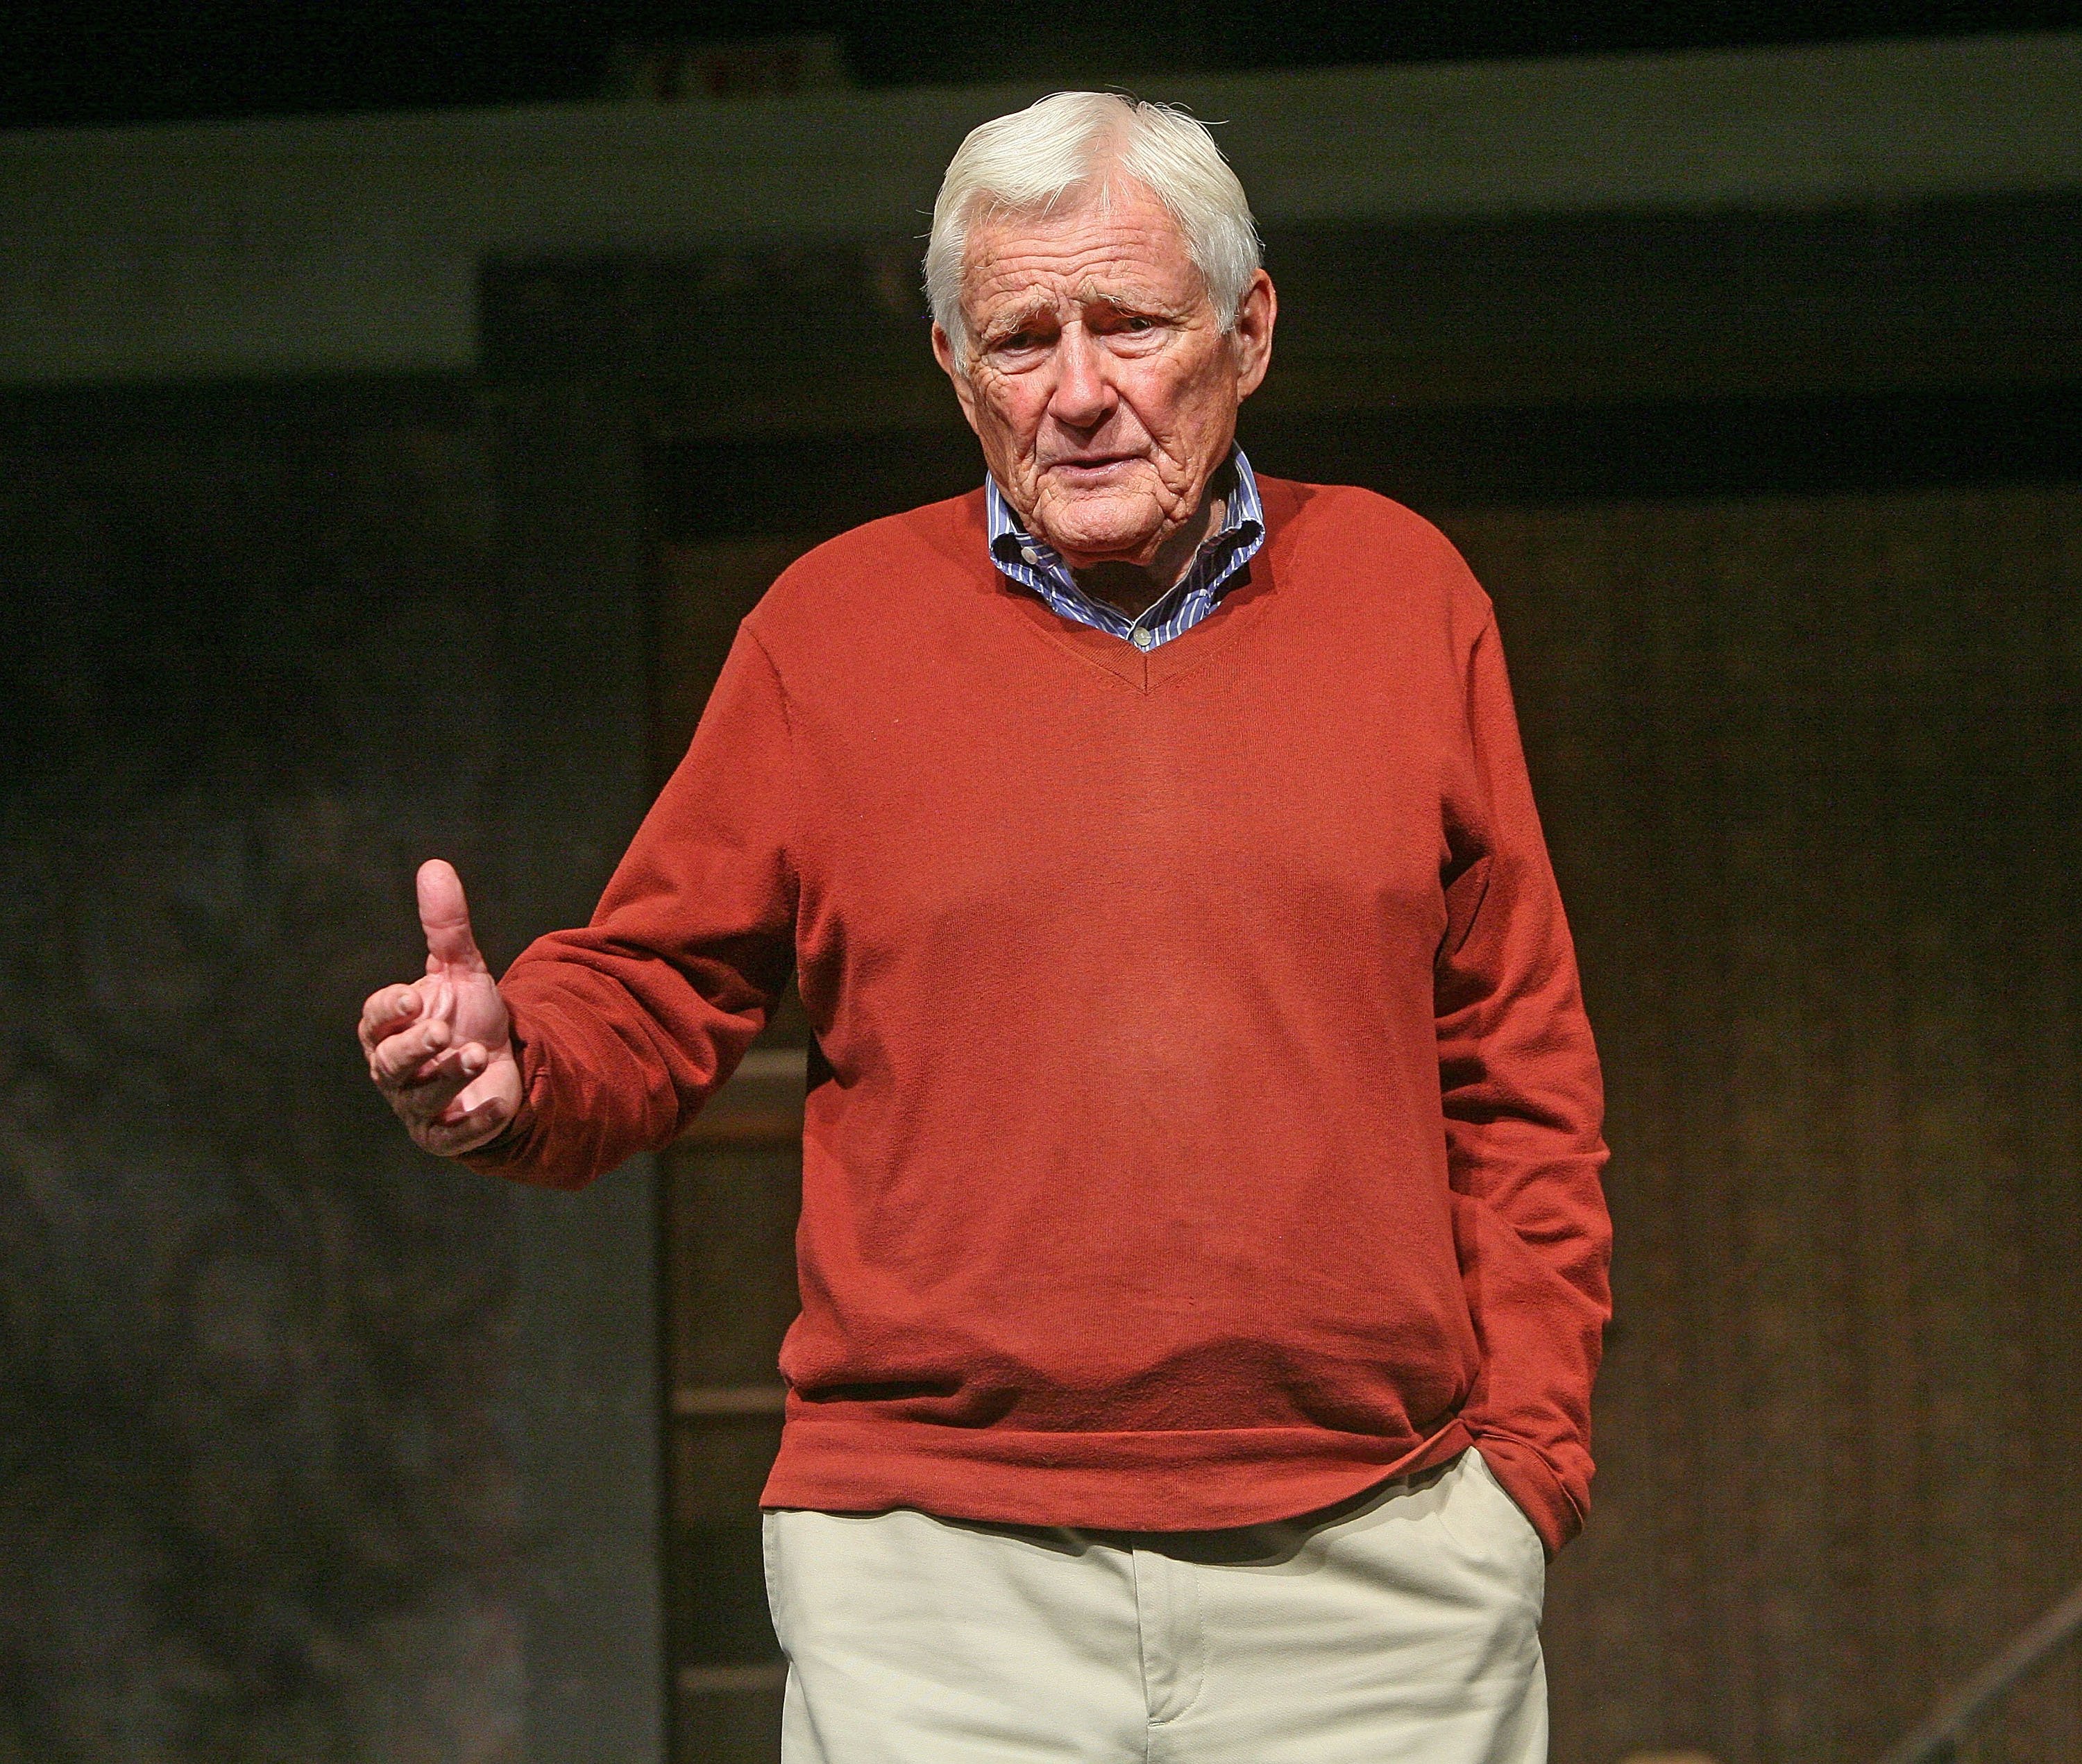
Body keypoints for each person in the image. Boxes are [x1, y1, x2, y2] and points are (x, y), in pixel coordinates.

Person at [359, 92, 1609, 1764]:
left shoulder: (1406, 594)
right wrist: (521, 1055)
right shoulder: (829, 630)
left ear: (1248, 330)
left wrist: (1522, 1472)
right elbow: (650, 983)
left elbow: (1519, 1068)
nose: (1079, 392)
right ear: (953, 363)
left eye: (1133, 326)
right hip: (934, 1582)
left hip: (1377, 1571)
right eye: (1021, 338)